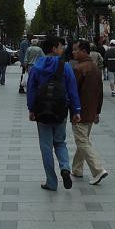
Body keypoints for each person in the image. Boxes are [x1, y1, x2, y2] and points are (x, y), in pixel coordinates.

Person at [26, 36, 81, 192]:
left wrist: (31, 109)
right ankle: (64, 167)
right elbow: (72, 89)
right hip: (61, 110)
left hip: (42, 111)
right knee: (60, 142)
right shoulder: (66, 67)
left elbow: (31, 89)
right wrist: (76, 110)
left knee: (45, 147)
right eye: (60, 46)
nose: (63, 48)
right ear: (53, 48)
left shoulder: (37, 66)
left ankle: (51, 181)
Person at [70, 40, 107, 185]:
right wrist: (97, 111)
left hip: (79, 112)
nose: (73, 52)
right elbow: (100, 92)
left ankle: (98, 170)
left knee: (82, 141)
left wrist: (73, 110)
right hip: (91, 111)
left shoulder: (78, 68)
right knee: (83, 139)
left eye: (75, 50)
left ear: (84, 51)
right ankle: (77, 169)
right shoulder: (96, 68)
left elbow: (73, 93)